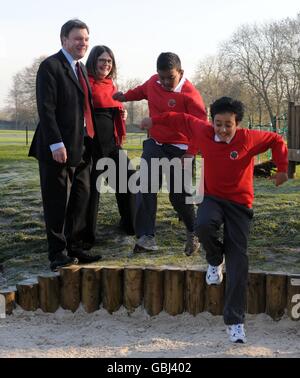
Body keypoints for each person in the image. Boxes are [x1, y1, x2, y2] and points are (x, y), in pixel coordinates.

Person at [140, 96, 288, 343]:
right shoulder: (203, 130)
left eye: (228, 124)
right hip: (212, 198)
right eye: (218, 123)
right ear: (212, 121)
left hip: (240, 204)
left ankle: (235, 322)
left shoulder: (249, 138)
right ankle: (213, 259)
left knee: (238, 260)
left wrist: (282, 168)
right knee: (203, 225)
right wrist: (152, 120)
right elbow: (177, 118)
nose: (223, 129)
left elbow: (276, 139)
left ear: (237, 123)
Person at [113, 52, 207, 255]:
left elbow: (202, 129)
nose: (164, 82)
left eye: (170, 77)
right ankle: (147, 237)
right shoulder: (153, 82)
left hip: (180, 149)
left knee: (178, 196)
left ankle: (193, 230)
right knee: (144, 186)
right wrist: (125, 96)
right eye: (161, 77)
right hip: (155, 143)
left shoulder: (190, 95)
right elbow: (141, 91)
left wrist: (191, 153)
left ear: (180, 72)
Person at [29, 19, 101, 271]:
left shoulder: (80, 69)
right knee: (57, 200)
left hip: (81, 145)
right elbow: (46, 109)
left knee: (81, 196)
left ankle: (75, 245)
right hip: (57, 147)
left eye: (86, 39)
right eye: (78, 39)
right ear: (64, 40)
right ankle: (57, 253)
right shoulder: (50, 66)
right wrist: (56, 143)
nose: (83, 43)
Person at [83, 45, 135, 247]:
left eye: (109, 61)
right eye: (102, 60)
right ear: (93, 61)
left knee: (129, 178)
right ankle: (86, 236)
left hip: (111, 144)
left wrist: (123, 113)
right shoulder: (84, 82)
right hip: (91, 144)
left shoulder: (111, 86)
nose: (106, 64)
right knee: (91, 191)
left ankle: (129, 224)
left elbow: (115, 108)